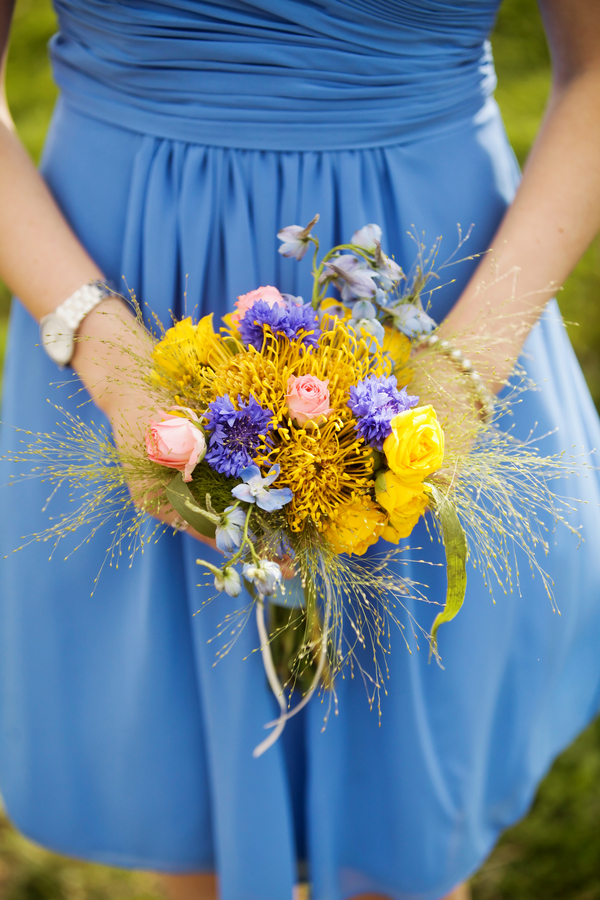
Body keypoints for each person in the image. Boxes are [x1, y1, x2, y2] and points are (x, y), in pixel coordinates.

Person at [1, 1, 599, 899]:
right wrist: (114, 364)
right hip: (123, 285)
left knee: (409, 805)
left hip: (438, 307)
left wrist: (459, 373)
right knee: (194, 774)